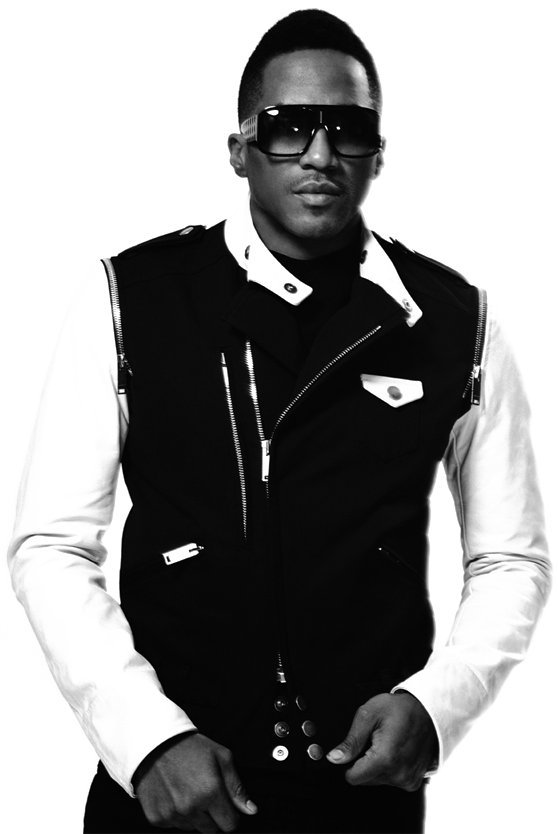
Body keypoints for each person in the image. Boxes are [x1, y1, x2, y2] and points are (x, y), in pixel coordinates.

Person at [8, 8, 550, 834]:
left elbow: (510, 557)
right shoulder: (131, 299)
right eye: (290, 127)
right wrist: (147, 741)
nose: (321, 155)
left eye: (348, 129)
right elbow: (50, 546)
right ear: (240, 149)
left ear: (378, 152)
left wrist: (437, 707)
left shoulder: (454, 320)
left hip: (362, 794)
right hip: (168, 796)